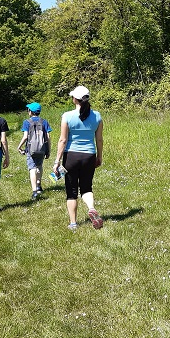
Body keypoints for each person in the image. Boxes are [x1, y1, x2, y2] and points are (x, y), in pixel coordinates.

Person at [52, 85, 103, 231]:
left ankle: (73, 223)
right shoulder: (97, 116)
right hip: (89, 155)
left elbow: (62, 140)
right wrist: (99, 157)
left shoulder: (67, 116)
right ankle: (91, 208)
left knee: (72, 190)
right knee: (87, 187)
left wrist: (56, 162)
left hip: (71, 156)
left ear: (75, 99)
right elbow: (99, 139)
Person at [16, 101, 53, 201]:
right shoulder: (44, 122)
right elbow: (48, 137)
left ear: (30, 111)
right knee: (39, 166)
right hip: (42, 149)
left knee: (32, 168)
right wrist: (48, 150)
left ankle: (34, 192)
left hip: (30, 149)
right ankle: (39, 185)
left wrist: (19, 147)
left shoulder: (27, 122)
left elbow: (25, 137)